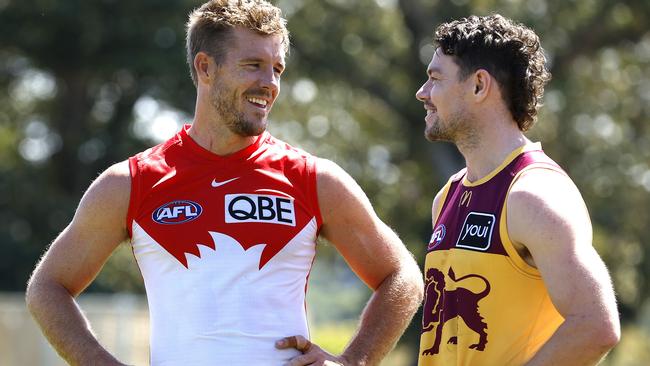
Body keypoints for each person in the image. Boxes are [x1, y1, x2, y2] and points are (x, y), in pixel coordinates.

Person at [25, 1, 423, 365]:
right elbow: (47, 287)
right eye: (253, 65)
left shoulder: (314, 179)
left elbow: (401, 276)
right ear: (205, 67)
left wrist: (352, 361)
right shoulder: (131, 183)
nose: (270, 83)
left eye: (277, 69)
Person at [415, 14, 620, 366]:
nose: (422, 93)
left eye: (435, 79)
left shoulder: (533, 196)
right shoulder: (447, 195)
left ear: (479, 85)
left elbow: (596, 325)